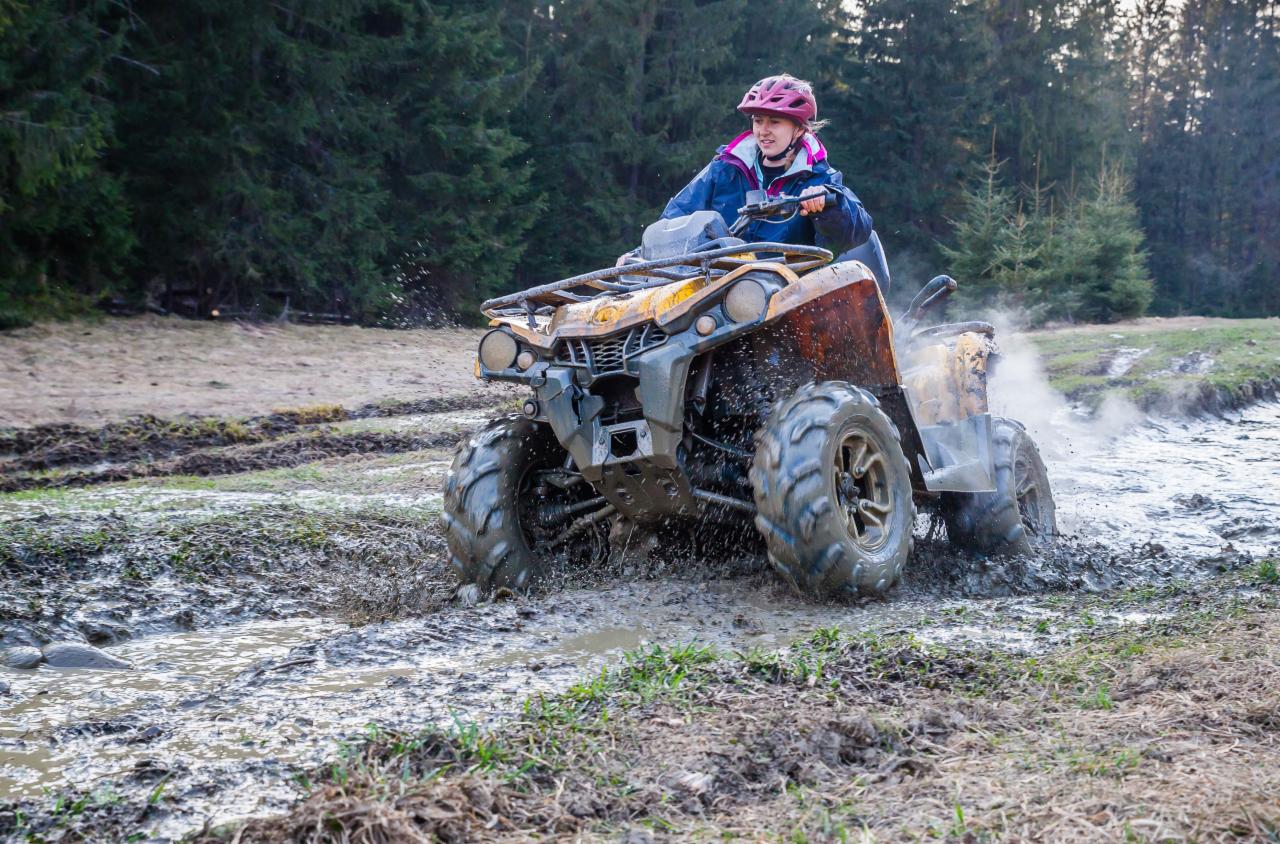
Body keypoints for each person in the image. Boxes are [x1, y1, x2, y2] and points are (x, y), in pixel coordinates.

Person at [661, 74, 872, 257]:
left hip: (789, 291)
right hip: (715, 283)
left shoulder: (821, 179)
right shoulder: (725, 168)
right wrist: (639, 255)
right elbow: (676, 216)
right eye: (758, 120)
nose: (763, 130)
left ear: (799, 129)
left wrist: (829, 208)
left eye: (775, 122)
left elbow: (858, 230)